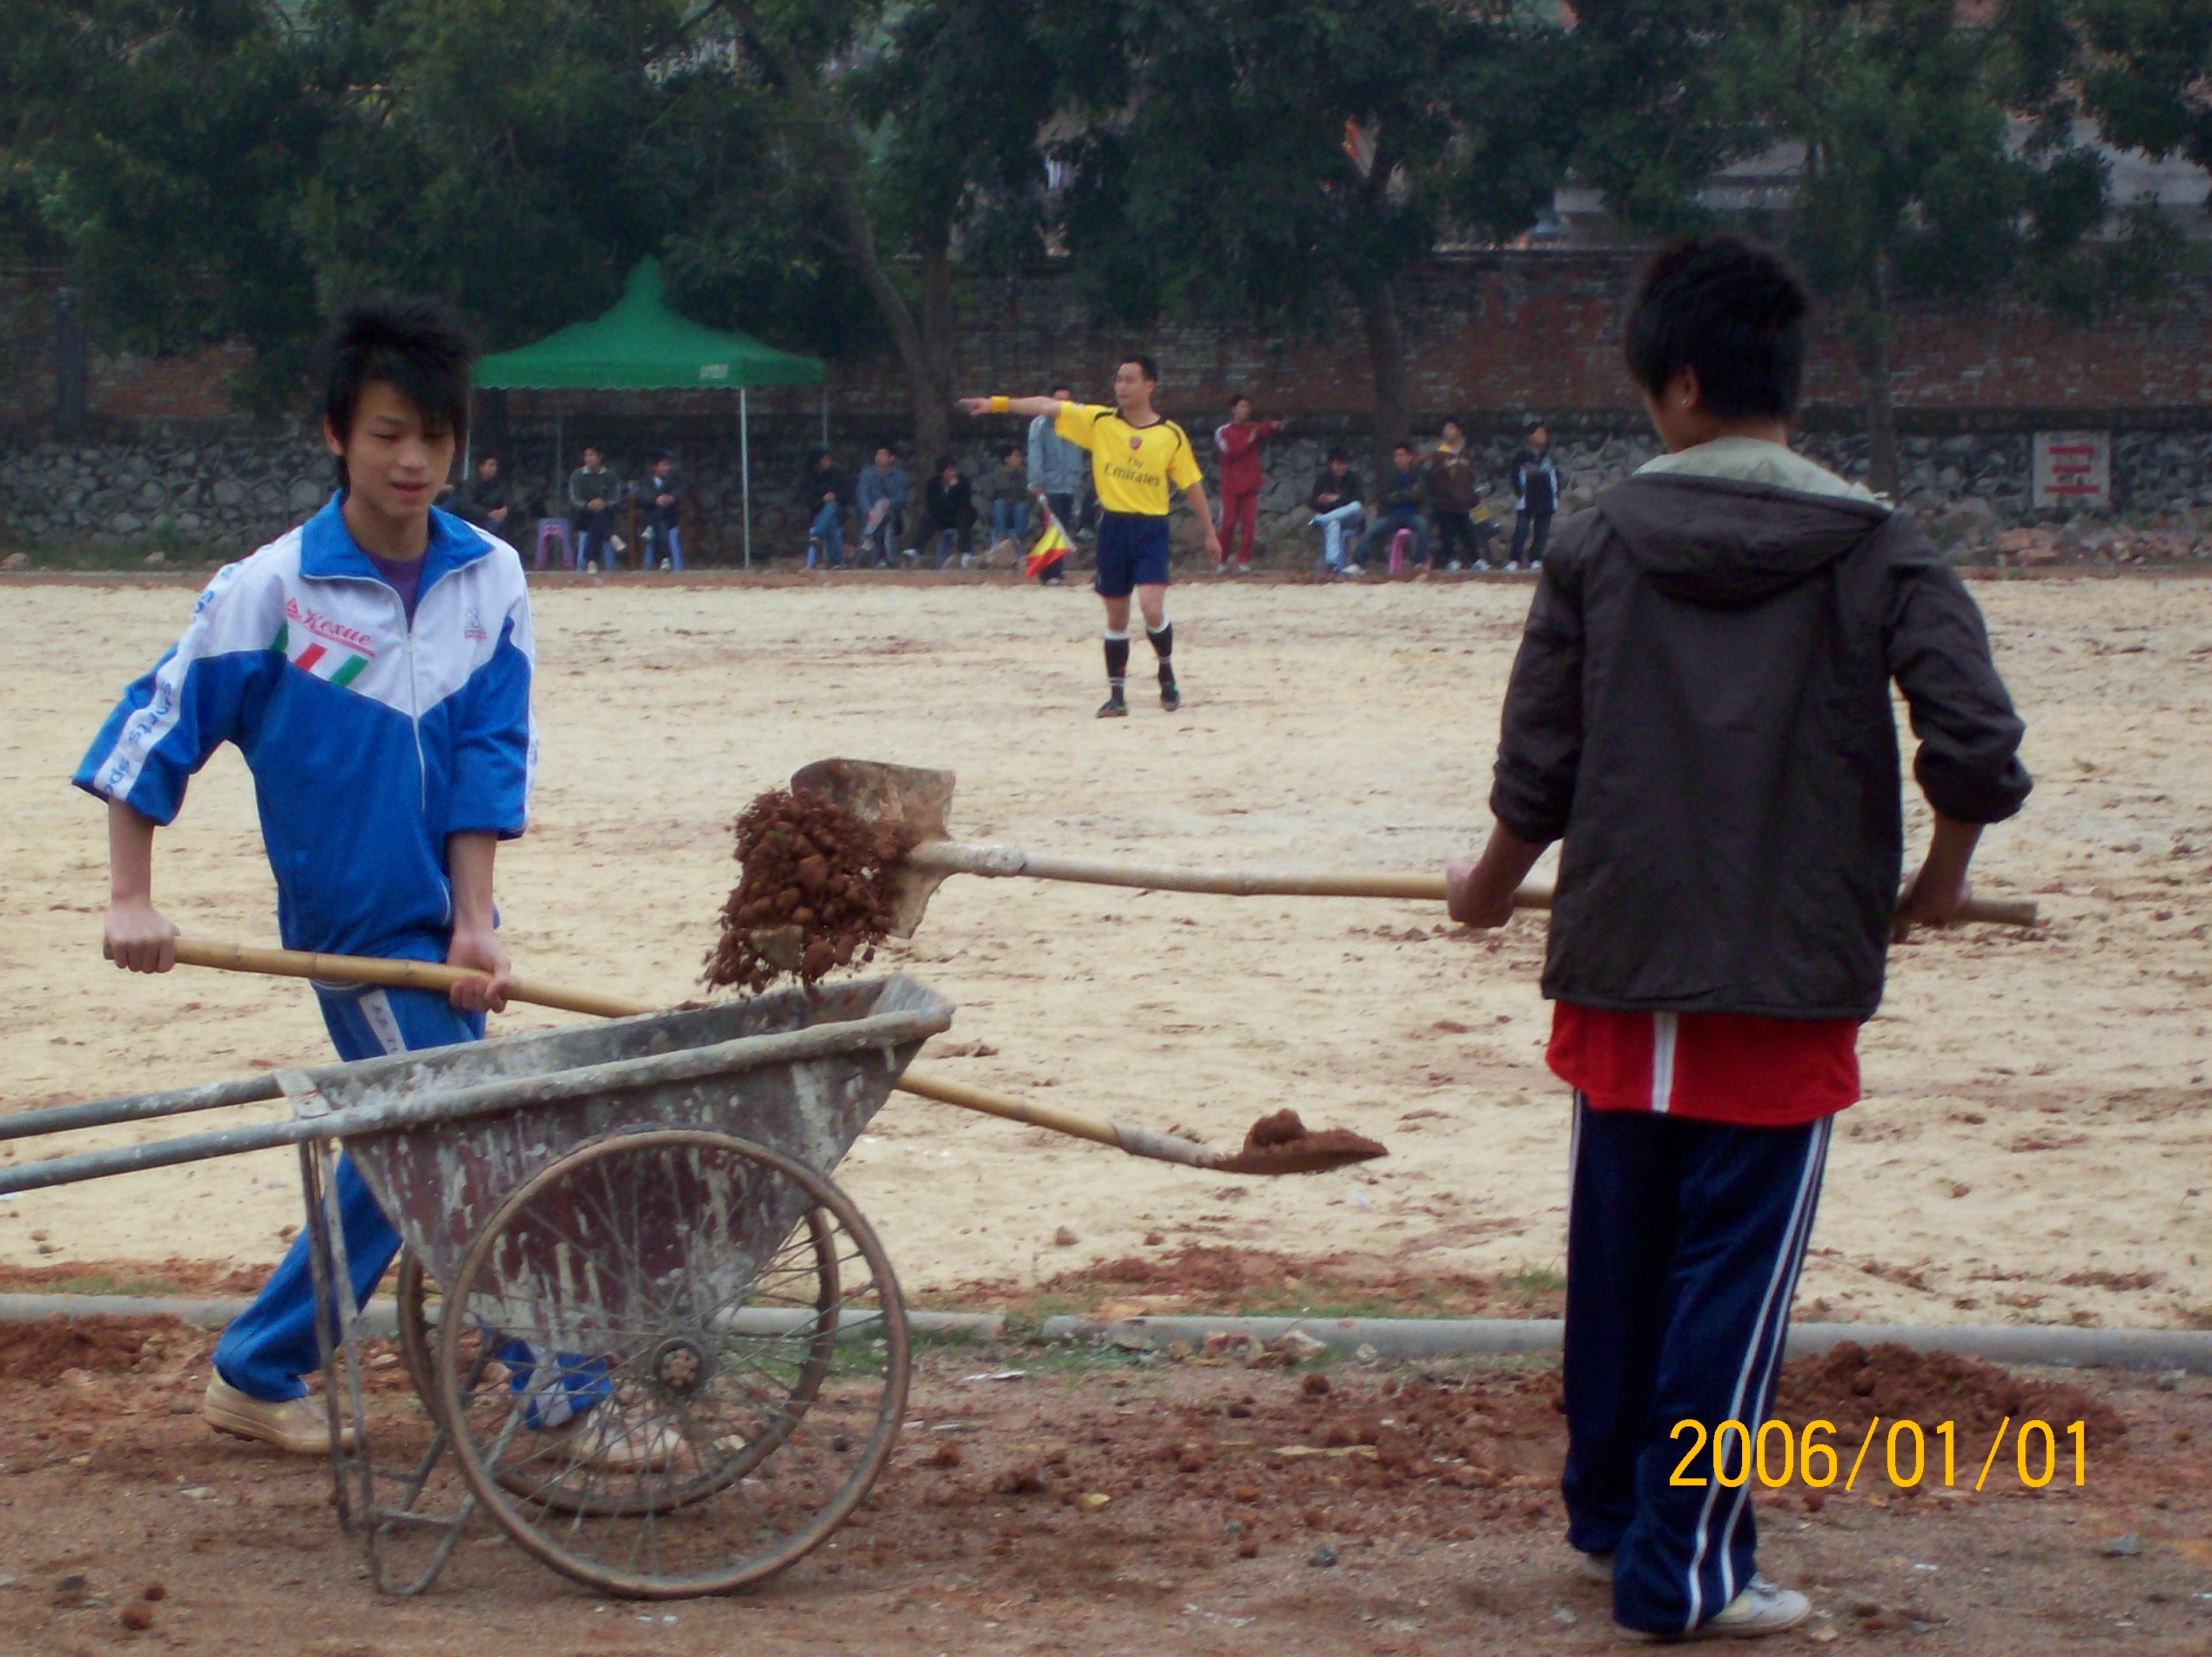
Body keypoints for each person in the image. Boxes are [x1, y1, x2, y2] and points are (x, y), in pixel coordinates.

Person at [1443, 234, 2031, 1641]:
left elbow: (1536, 768)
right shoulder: (1880, 543)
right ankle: (1685, 1569)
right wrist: (1942, 877)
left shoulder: (1595, 540)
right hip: (1783, 977)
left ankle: (1612, 1518)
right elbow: (1974, 739)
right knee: (1730, 1281)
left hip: (1621, 964)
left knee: (1619, 1258)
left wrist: (1483, 888)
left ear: (1683, 384)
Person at [78, 299, 562, 1457]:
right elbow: (156, 728)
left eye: (435, 437)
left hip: (442, 925)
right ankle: (568, 1389)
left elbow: (489, 756)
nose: (414, 460)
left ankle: (258, 1364)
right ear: (337, 433)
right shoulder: (273, 589)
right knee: (456, 1136)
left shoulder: (490, 576)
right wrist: (131, 897)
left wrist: (477, 922)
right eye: (389, 433)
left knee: (409, 1147)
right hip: (351, 930)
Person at [961, 358, 1222, 715]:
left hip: (1151, 528)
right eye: (1118, 379)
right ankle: (1117, 696)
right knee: (1116, 616)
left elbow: (1191, 484)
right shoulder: (1100, 421)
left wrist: (1210, 532)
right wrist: (996, 404)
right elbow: (1048, 407)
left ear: (1149, 386)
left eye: (1130, 380)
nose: (1121, 386)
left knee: (1151, 608)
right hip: (1113, 527)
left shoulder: (1170, 434)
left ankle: (1166, 671)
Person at [1213, 394, 1284, 571]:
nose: (1246, 411)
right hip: (1230, 487)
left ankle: (1243, 560)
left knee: (1249, 525)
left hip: (1250, 485)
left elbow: (1265, 427)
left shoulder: (1252, 429)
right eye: (1242, 407)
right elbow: (1231, 452)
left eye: (1248, 407)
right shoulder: (1223, 431)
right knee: (1228, 524)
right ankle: (1221, 559)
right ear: (1233, 409)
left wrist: (1275, 425)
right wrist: (1249, 439)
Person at [1027, 383, 1087, 544]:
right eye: (1058, 400)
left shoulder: (1077, 424)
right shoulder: (1039, 425)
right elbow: (1035, 456)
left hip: (1071, 485)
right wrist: (1036, 482)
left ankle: (1060, 560)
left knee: (1065, 529)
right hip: (1049, 486)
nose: (1061, 405)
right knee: (1053, 530)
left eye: (1066, 401)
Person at [1353, 442, 1428, 569]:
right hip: (1393, 516)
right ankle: (1358, 562)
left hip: (1413, 514)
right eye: (1396, 456)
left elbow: (1419, 495)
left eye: (1401, 455)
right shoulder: (1389, 475)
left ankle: (1420, 563)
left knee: (1423, 526)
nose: (1398, 459)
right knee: (1373, 529)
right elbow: (1385, 498)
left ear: (1410, 457)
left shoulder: (1419, 474)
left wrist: (1398, 496)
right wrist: (1406, 494)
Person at [1427, 419, 1487, 570]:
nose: (1448, 432)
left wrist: (1470, 495)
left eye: (1452, 428)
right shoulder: (1439, 455)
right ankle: (1450, 559)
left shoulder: (1465, 454)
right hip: (1446, 503)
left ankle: (1476, 559)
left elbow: (1470, 476)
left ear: (1459, 432)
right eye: (1446, 429)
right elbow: (1437, 479)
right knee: (1447, 532)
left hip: (1465, 503)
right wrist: (1450, 494)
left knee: (1469, 531)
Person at [1509, 421, 1560, 568]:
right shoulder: (1521, 457)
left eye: (1544, 433)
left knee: (1542, 532)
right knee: (1521, 531)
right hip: (1527, 499)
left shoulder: (1548, 457)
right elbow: (1514, 477)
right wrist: (1520, 493)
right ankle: (1515, 559)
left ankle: (1535, 558)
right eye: (1539, 433)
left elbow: (1555, 477)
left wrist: (1556, 496)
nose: (1543, 437)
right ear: (1530, 436)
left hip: (1546, 499)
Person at [566, 446, 621, 572]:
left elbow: (616, 498)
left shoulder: (610, 476)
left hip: (605, 514)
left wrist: (604, 504)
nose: (588, 459)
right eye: (586, 456)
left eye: (592, 455)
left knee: (598, 519)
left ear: (600, 457)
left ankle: (591, 561)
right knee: (596, 518)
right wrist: (588, 505)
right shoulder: (577, 476)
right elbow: (574, 500)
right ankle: (612, 536)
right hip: (583, 516)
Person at [1308, 449, 1363, 573]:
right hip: (1332, 516)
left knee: (1356, 506)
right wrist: (1321, 501)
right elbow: (1313, 503)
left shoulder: (1353, 478)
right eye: (1338, 464)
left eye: (1344, 464)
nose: (1341, 468)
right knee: (1333, 524)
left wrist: (1338, 499)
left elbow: (1360, 499)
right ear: (1331, 464)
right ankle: (1332, 564)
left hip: (1351, 517)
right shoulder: (1322, 479)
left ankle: (1319, 520)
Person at [854, 444, 909, 568]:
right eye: (878, 454)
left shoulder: (899, 476)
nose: (879, 457)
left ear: (891, 458)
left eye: (883, 455)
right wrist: (870, 512)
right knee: (882, 518)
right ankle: (888, 559)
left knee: (884, 508)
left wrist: (890, 502)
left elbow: (902, 500)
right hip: (870, 516)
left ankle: (868, 538)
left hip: (892, 514)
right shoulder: (867, 473)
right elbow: (862, 495)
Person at [920, 454, 976, 569]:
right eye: (950, 470)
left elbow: (964, 503)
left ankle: (965, 553)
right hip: (943, 517)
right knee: (928, 520)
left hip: (960, 516)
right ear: (942, 473)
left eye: (954, 470)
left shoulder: (963, 482)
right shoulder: (933, 484)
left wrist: (954, 489)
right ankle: (916, 551)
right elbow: (933, 506)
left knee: (964, 517)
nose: (953, 473)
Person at [977, 443, 1031, 554]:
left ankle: (1018, 541)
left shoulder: (1024, 475)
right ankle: (1000, 539)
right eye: (1016, 456)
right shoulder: (996, 476)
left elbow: (1028, 496)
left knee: (1021, 507)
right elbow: (989, 497)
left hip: (1019, 510)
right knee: (999, 504)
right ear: (1007, 459)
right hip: (1001, 512)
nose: (1019, 459)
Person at [800, 447, 847, 569]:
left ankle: (817, 535)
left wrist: (834, 496)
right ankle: (837, 561)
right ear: (817, 463)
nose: (828, 462)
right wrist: (823, 500)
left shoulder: (835, 474)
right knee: (831, 523)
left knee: (832, 507)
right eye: (825, 460)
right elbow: (808, 502)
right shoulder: (808, 478)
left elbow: (846, 496)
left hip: (838, 510)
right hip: (817, 513)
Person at [634, 453, 683, 571]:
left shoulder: (673, 481)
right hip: (656, 519)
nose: (667, 468)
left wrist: (671, 498)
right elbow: (643, 499)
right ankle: (665, 558)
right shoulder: (645, 482)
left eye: (668, 465)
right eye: (663, 465)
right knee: (660, 524)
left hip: (670, 517)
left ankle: (650, 527)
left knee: (660, 520)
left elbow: (681, 493)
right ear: (655, 467)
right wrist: (656, 499)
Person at [456, 453, 515, 547]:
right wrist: (488, 513)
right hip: (475, 519)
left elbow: (509, 500)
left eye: (495, 466)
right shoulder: (470, 484)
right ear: (481, 467)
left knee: (497, 523)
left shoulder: (500, 484)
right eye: (491, 465)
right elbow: (467, 505)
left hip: (495, 519)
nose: (494, 469)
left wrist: (505, 509)